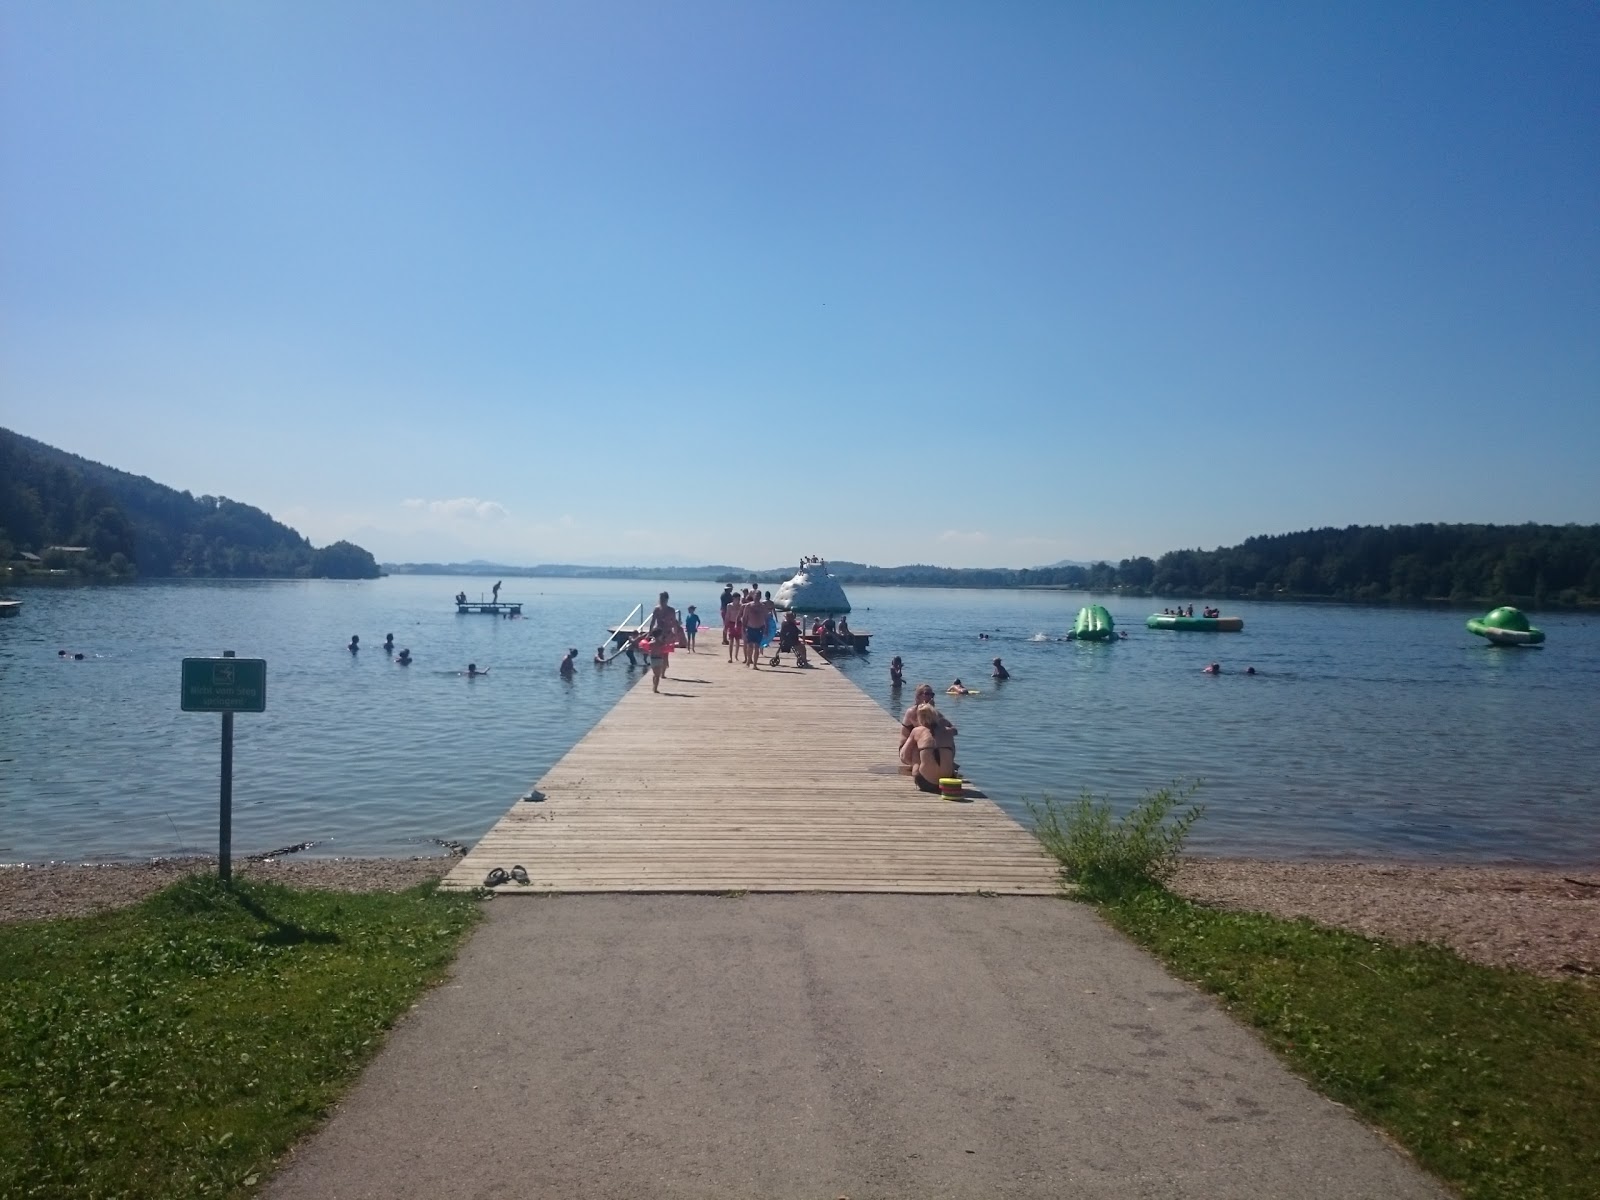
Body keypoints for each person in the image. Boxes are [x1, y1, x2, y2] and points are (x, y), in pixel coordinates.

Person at [905, 704, 956, 794]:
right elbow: (954, 731)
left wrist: (915, 764)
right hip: (948, 780)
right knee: (949, 745)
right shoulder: (948, 731)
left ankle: (920, 769)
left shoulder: (917, 731)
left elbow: (904, 755)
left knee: (916, 750)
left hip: (926, 783)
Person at [648, 591, 685, 692]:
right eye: (660, 599)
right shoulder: (656, 609)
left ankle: (663, 672)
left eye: (663, 599)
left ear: (667, 599)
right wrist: (650, 632)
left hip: (667, 633)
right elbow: (652, 621)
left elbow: (674, 622)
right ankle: (660, 672)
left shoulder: (671, 610)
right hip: (658, 633)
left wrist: (676, 633)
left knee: (665, 653)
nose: (662, 601)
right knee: (659, 651)